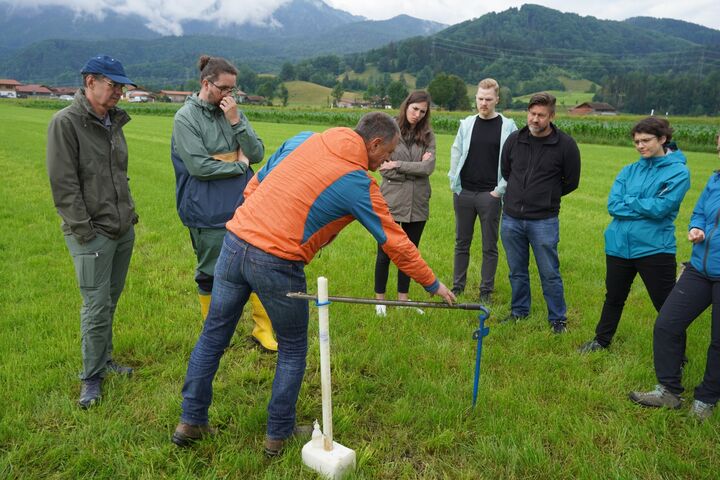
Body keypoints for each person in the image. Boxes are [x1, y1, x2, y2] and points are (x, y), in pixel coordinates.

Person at [171, 112, 455, 454]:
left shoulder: (304, 138)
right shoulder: (358, 182)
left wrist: (251, 218)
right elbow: (395, 242)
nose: (387, 161)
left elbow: (256, 181)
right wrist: (432, 284)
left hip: (234, 242)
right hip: (276, 261)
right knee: (292, 347)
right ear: (374, 143)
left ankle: (190, 421)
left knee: (213, 335)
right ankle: (279, 433)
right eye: (387, 152)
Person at [46, 55, 137, 408]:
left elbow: (117, 176)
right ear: (89, 82)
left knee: (109, 301)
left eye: (121, 86)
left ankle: (105, 360)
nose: (118, 92)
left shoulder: (113, 122)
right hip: (92, 233)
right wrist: (86, 230)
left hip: (121, 227)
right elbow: (64, 186)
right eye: (112, 84)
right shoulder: (65, 123)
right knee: (96, 306)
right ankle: (91, 378)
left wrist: (128, 214)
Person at [171, 55, 277, 352]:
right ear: (206, 84)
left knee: (257, 266)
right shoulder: (185, 118)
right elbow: (199, 167)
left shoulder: (231, 113)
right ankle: (214, 334)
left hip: (245, 206)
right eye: (224, 88)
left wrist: (236, 121)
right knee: (211, 271)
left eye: (233, 90)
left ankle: (263, 329)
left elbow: (255, 152)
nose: (229, 95)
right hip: (206, 210)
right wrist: (238, 166)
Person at [630, 131, 720, 421]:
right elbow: (700, 212)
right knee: (667, 324)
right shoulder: (716, 179)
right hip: (699, 268)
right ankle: (668, 391)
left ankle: (706, 399)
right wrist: (696, 227)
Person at [579, 118, 690, 353]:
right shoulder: (629, 170)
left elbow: (662, 208)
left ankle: (677, 356)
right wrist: (640, 205)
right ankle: (601, 341)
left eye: (646, 140)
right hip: (619, 245)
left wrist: (629, 201)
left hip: (655, 248)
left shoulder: (678, 172)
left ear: (662, 139)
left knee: (667, 306)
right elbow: (613, 205)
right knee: (614, 298)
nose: (640, 146)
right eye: (637, 141)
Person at [499, 92, 581, 334]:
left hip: (544, 220)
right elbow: (506, 172)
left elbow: (572, 181)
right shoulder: (515, 140)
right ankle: (519, 311)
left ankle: (557, 319)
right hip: (512, 217)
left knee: (549, 272)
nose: (535, 119)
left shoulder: (565, 145)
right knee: (516, 271)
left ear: (551, 116)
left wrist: (547, 197)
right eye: (532, 114)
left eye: (541, 115)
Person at [448, 78, 517, 302]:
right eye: (480, 99)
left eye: (488, 99)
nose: (483, 103)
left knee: (489, 245)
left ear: (497, 99)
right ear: (475, 99)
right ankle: (457, 286)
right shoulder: (467, 124)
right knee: (461, 242)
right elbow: (456, 152)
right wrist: (454, 185)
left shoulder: (508, 127)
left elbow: (513, 161)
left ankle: (486, 291)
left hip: (490, 195)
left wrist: (500, 190)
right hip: (464, 193)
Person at [374, 91, 436, 316]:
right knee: (385, 251)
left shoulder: (428, 134)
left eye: (422, 111)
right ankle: (379, 300)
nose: (417, 114)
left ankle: (403, 300)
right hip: (391, 200)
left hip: (418, 203)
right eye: (414, 109)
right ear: (406, 105)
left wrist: (397, 165)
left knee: (409, 253)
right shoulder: (390, 129)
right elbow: (382, 167)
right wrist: (414, 168)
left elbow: (428, 169)